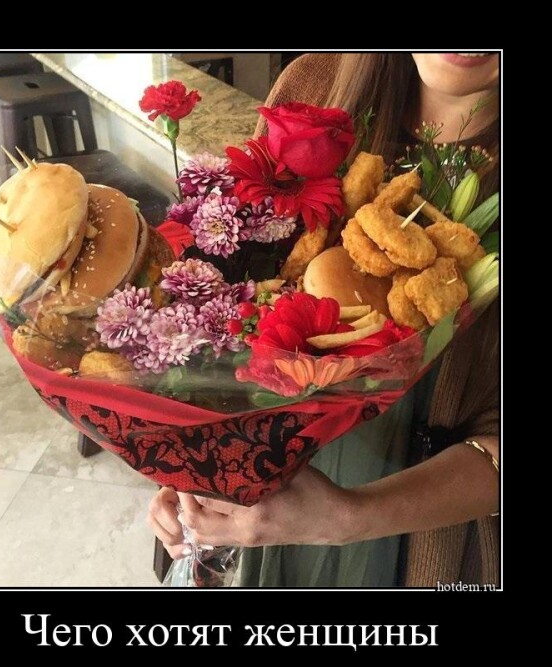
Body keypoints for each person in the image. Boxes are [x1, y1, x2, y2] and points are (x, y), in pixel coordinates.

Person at [147, 52, 500, 587]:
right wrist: (194, 461)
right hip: (253, 502)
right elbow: (236, 293)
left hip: (421, 540)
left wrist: (346, 518)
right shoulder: (313, 86)